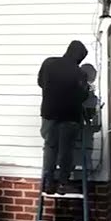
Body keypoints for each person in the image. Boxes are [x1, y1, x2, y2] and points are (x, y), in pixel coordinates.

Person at [37, 40, 89, 194]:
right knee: (66, 150)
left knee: (50, 147)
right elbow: (82, 96)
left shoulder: (48, 64)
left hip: (49, 113)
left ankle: (48, 182)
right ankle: (63, 183)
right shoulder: (79, 73)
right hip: (69, 116)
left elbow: (40, 83)